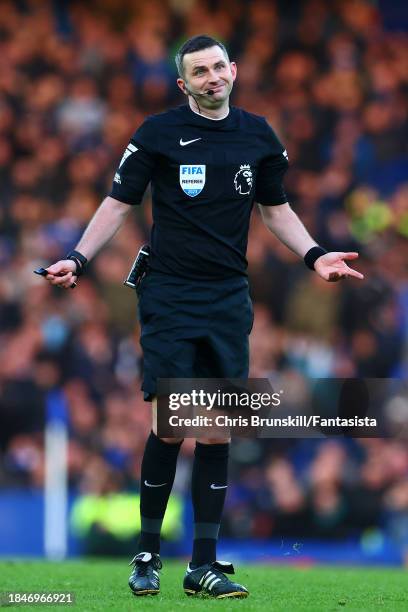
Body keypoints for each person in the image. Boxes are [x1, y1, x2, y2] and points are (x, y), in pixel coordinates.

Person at [43, 35, 364, 599]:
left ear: (234, 70)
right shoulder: (157, 134)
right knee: (172, 419)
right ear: (183, 84)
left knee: (217, 428)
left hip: (227, 297)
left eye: (220, 67)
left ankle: (203, 565)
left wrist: (316, 255)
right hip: (168, 293)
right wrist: (77, 256)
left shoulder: (259, 135)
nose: (213, 77)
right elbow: (119, 202)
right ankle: (146, 554)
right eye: (200, 71)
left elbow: (276, 208)